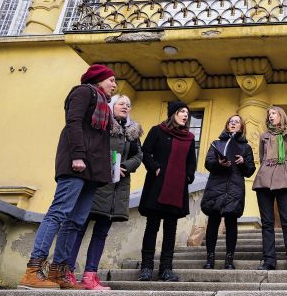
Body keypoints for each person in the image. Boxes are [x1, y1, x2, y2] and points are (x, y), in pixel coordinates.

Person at [18, 64, 116, 290]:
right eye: (111, 80)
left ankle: (58, 272)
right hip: (77, 165)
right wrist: (78, 156)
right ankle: (33, 270)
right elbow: (73, 123)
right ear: (98, 79)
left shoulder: (103, 104)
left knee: (76, 221)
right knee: (59, 213)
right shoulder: (83, 92)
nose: (114, 85)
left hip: (92, 170)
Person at [67, 94, 143, 290]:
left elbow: (138, 155)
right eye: (121, 103)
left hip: (118, 189)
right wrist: (110, 164)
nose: (125, 107)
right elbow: (94, 148)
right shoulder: (102, 125)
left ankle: (90, 276)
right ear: (111, 106)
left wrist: (124, 165)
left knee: (101, 233)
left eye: (128, 104)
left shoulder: (132, 132)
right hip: (97, 184)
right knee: (79, 228)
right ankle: (66, 272)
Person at [137, 101, 197, 282]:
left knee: (170, 230)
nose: (185, 115)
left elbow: (191, 162)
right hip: (157, 186)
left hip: (177, 190)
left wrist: (188, 176)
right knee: (152, 227)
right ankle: (146, 268)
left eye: (187, 113)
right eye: (181, 112)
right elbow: (145, 152)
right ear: (173, 114)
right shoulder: (158, 131)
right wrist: (154, 167)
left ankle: (166, 269)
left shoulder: (189, 137)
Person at [201, 114, 256, 270]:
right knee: (213, 221)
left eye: (237, 122)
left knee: (231, 223)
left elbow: (250, 170)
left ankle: (229, 259)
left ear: (241, 127)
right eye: (230, 121)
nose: (233, 124)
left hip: (234, 187)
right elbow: (208, 163)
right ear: (227, 125)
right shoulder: (216, 143)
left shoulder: (246, 147)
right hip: (216, 187)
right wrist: (219, 163)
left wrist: (243, 162)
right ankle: (210, 259)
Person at [252, 106, 287, 270]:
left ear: (281, 115)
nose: (270, 116)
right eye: (269, 114)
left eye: (273, 113)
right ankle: (268, 260)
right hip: (264, 182)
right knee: (267, 223)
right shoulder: (263, 136)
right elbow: (262, 158)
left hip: (285, 182)